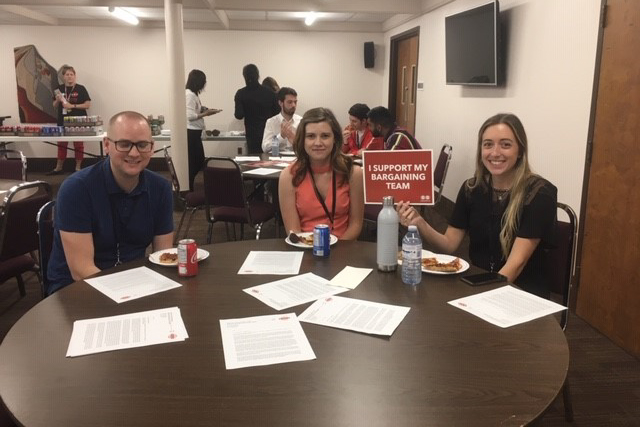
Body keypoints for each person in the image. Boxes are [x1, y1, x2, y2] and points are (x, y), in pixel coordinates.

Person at [396, 113, 557, 298]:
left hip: (521, 292)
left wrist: (481, 297)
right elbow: (449, 244)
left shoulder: (539, 193)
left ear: (520, 151)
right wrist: (420, 222)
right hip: (479, 283)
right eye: (488, 144)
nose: (495, 153)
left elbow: (516, 264)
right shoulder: (471, 189)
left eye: (505, 145)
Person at [47, 111, 174, 295]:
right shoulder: (76, 189)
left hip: (133, 285)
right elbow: (80, 270)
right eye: (124, 144)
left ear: (152, 147)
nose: (134, 153)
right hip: (76, 290)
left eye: (142, 145)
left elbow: (163, 257)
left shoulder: (160, 188)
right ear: (107, 145)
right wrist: (129, 295)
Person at [279, 107, 364, 240]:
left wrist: (336, 250)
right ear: (302, 140)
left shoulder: (353, 173)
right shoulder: (288, 176)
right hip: (304, 247)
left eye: (325, 136)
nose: (318, 143)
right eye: (311, 136)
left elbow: (356, 225)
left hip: (344, 247)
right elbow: (293, 232)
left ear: (335, 138)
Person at [48, 65, 91, 174]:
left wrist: (72, 106)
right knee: (61, 145)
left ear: (75, 76)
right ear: (64, 77)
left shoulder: (81, 88)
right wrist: (58, 100)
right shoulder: (59, 89)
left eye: (71, 74)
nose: (69, 76)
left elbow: (87, 105)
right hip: (62, 120)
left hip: (78, 121)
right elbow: (54, 105)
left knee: (78, 145)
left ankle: (78, 168)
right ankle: (58, 168)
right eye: (67, 74)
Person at [186, 69, 221, 191]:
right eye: (203, 82)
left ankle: (189, 187)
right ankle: (188, 188)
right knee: (196, 161)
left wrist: (205, 110)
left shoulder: (193, 94)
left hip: (195, 131)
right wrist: (206, 113)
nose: (204, 84)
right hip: (191, 131)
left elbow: (195, 110)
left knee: (197, 160)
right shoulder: (189, 95)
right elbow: (190, 116)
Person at [234, 64, 280, 154]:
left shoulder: (241, 93)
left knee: (254, 158)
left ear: (244, 76)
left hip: (252, 133)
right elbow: (277, 113)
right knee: (270, 157)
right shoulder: (270, 93)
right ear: (258, 75)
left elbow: (238, 115)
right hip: (269, 132)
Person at [262, 87, 302, 154]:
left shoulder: (301, 121)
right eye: (290, 102)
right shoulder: (271, 122)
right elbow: (265, 148)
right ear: (280, 103)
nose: (293, 105)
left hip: (296, 157)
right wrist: (281, 136)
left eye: (295, 102)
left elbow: (307, 148)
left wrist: (295, 141)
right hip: (276, 158)